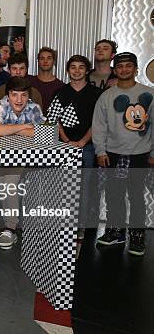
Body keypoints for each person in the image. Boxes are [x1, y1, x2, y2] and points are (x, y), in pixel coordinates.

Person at [92, 52, 152, 256]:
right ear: (115, 70)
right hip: (113, 154)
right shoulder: (107, 96)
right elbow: (99, 127)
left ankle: (137, 237)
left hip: (140, 153)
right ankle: (115, 232)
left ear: (135, 69)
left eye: (128, 66)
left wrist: (153, 152)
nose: (124, 69)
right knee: (113, 195)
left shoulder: (149, 94)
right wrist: (100, 151)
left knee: (136, 196)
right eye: (120, 66)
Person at [0, 76, 45, 250]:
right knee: (3, 188)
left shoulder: (34, 107)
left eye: (23, 95)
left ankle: (10, 228)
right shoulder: (1, 104)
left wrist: (10, 130)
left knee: (10, 185)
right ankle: (9, 225)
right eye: (14, 95)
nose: (19, 100)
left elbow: (44, 133)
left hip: (23, 157)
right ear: (8, 95)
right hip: (0, 156)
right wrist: (23, 128)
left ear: (29, 95)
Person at [50, 55, 102, 231]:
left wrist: (82, 141)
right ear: (68, 70)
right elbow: (54, 121)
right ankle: (63, 222)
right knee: (63, 185)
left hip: (87, 147)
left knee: (85, 186)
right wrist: (67, 140)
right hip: (63, 147)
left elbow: (98, 122)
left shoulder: (96, 94)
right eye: (73, 67)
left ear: (87, 70)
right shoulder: (60, 93)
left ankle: (80, 224)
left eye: (81, 67)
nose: (77, 70)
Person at [30, 47, 64, 113]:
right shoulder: (29, 82)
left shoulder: (61, 86)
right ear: (38, 61)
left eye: (49, 58)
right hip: (30, 122)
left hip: (51, 123)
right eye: (42, 58)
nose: (45, 61)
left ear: (54, 62)